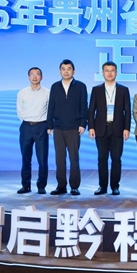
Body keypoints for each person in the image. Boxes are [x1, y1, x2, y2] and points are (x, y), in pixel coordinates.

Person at [88, 61, 131, 195]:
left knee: (116, 159)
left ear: (116, 72)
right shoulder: (96, 90)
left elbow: (127, 111)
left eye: (112, 70)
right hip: (101, 128)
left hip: (117, 128)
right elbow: (91, 110)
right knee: (102, 159)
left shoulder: (123, 90)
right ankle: (102, 187)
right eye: (107, 71)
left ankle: (115, 186)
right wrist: (91, 127)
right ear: (103, 73)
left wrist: (127, 128)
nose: (110, 73)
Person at [46, 59, 88, 196]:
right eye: (63, 69)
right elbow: (51, 106)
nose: (66, 71)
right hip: (58, 127)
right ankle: (61, 186)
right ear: (60, 71)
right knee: (59, 159)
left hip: (74, 127)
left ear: (73, 71)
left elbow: (84, 106)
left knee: (74, 158)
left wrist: (83, 124)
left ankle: (74, 186)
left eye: (69, 69)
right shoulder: (55, 86)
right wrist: (49, 125)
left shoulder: (80, 86)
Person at [16, 67, 50, 195]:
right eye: (32, 74)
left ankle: (41, 186)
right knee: (26, 158)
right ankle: (26, 185)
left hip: (41, 127)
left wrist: (47, 125)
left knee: (42, 158)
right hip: (26, 127)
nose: (35, 77)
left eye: (37, 74)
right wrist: (27, 121)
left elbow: (50, 110)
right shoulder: (22, 93)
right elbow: (19, 110)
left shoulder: (47, 93)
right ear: (28, 77)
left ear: (42, 77)